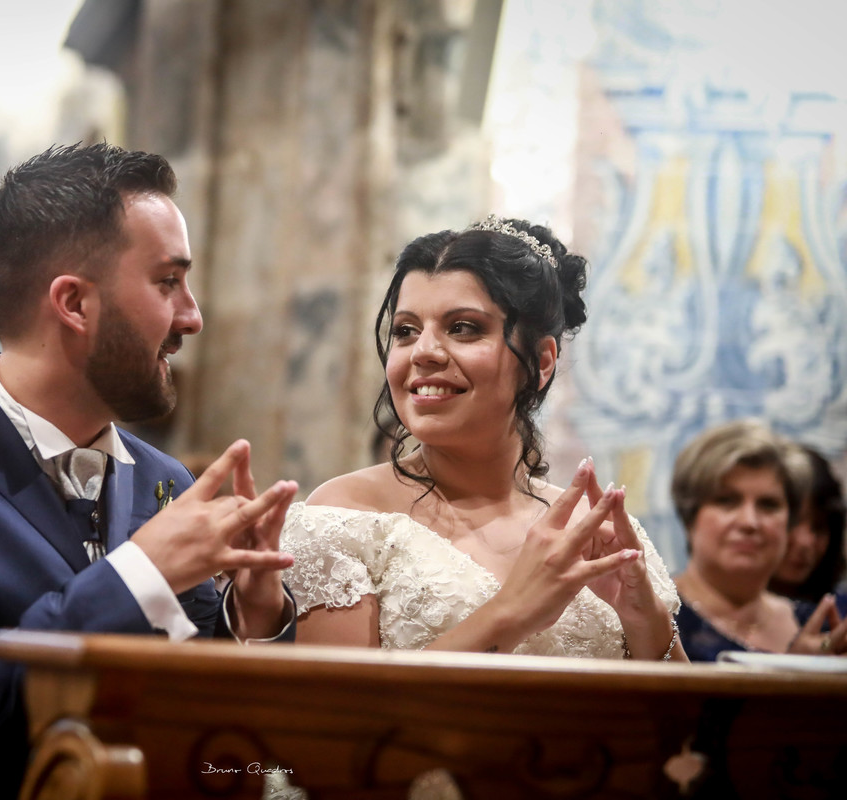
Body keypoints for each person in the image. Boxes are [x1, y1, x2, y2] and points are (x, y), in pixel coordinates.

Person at [0, 142, 299, 799]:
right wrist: (141, 574)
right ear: (73, 303)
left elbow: (211, 726)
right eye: (167, 282)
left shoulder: (166, 481)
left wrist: (255, 619)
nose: (192, 316)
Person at [279, 219, 684, 660]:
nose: (423, 352)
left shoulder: (597, 531)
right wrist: (514, 612)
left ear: (541, 361)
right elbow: (341, 699)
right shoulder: (343, 514)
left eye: (463, 328)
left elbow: (689, 704)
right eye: (405, 331)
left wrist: (645, 621)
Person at [671, 420, 847, 661]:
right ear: (690, 515)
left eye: (768, 505)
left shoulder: (820, 624)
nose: (750, 522)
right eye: (727, 501)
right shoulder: (650, 617)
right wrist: (799, 673)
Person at [768, 444, 847, 613]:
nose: (806, 542)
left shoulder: (840, 612)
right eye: (792, 522)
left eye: (819, 527)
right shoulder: (717, 612)